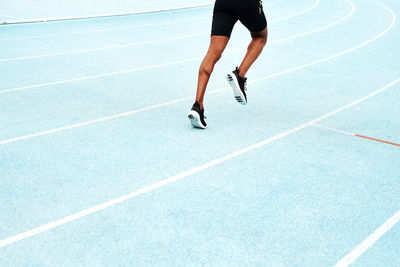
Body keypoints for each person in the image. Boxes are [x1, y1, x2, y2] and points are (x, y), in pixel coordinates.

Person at [188, 0, 268, 129]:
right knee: (260, 37)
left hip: (223, 3)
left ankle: (197, 106)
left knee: (213, 53)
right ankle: (239, 75)